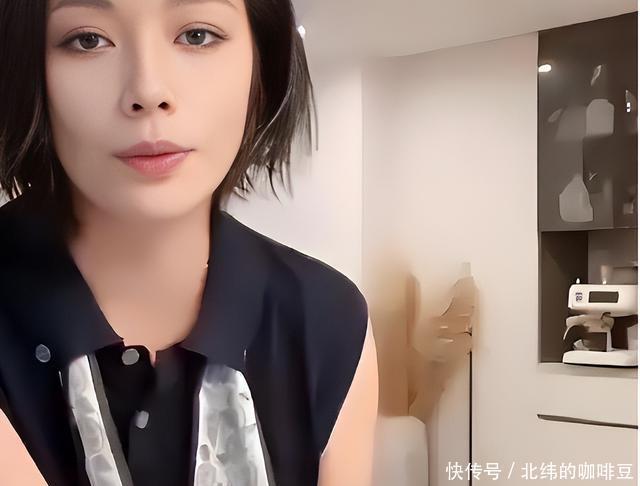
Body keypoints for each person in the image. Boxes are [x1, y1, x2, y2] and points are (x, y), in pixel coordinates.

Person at [0, 0, 379, 485]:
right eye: (88, 40)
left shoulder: (326, 318)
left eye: (197, 35)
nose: (148, 91)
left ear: (262, 61)